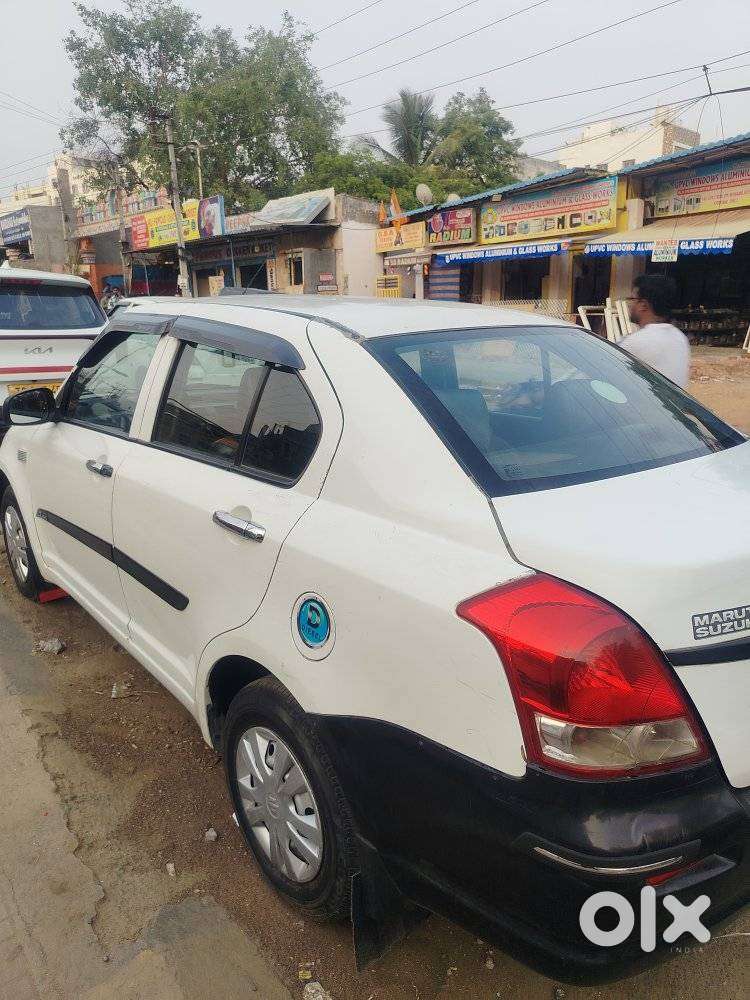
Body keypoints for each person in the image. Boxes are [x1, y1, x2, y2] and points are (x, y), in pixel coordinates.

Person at [620, 274, 690, 388]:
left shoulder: (634, 342)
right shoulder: (680, 337)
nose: (629, 304)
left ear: (643, 305)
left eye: (632, 299)